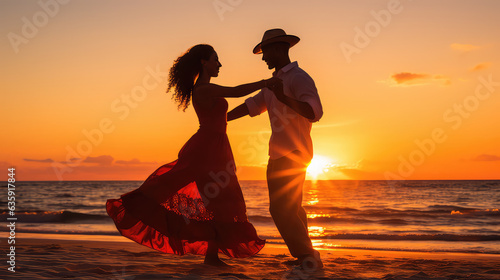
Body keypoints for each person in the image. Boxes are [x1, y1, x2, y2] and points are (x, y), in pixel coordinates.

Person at [106, 44, 280, 266]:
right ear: (203, 62)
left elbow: (226, 113)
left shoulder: (206, 88)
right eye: (216, 59)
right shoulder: (203, 89)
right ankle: (135, 209)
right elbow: (236, 91)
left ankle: (211, 256)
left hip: (215, 147)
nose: (220, 64)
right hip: (207, 149)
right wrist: (266, 83)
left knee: (219, 202)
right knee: (219, 198)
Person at [227, 29, 324, 270]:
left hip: (295, 153)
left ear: (280, 49)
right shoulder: (272, 83)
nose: (263, 58)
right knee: (292, 208)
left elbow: (315, 112)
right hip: (278, 154)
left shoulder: (299, 77)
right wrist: (221, 118)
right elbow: (252, 105)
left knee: (280, 209)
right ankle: (309, 254)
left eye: (266, 52)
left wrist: (283, 97)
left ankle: (305, 256)